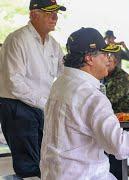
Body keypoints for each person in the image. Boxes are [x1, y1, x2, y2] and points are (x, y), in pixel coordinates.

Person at [40, 27, 129, 179]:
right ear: (89, 58)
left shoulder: (60, 84)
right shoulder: (91, 96)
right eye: (105, 54)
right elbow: (119, 146)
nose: (109, 59)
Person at [0, 0, 66, 177]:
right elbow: (14, 82)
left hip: (40, 106)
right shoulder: (17, 39)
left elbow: (65, 74)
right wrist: (46, 104)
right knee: (28, 165)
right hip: (17, 106)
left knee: (44, 158)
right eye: (49, 12)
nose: (55, 17)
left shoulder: (53, 44)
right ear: (33, 14)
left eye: (56, 12)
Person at [103, 44, 129, 113]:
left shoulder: (120, 77)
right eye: (105, 62)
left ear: (115, 62)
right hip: (118, 115)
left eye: (109, 61)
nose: (106, 64)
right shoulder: (107, 75)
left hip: (128, 116)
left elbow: (108, 100)